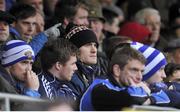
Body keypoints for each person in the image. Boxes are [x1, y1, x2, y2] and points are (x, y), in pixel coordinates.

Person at [80, 45, 170, 111]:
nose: (139, 77)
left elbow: (166, 99)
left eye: (141, 71)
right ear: (117, 70)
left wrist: (149, 99)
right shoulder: (100, 88)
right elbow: (131, 98)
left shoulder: (125, 86)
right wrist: (145, 94)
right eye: (134, 70)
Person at [131, 41, 180, 109]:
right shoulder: (130, 88)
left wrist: (151, 99)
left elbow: (176, 97)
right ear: (147, 70)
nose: (164, 75)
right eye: (160, 69)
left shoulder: (156, 86)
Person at [65, 24, 99, 102]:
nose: (94, 50)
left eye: (95, 45)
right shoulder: (71, 76)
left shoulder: (94, 72)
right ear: (74, 50)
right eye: (88, 45)